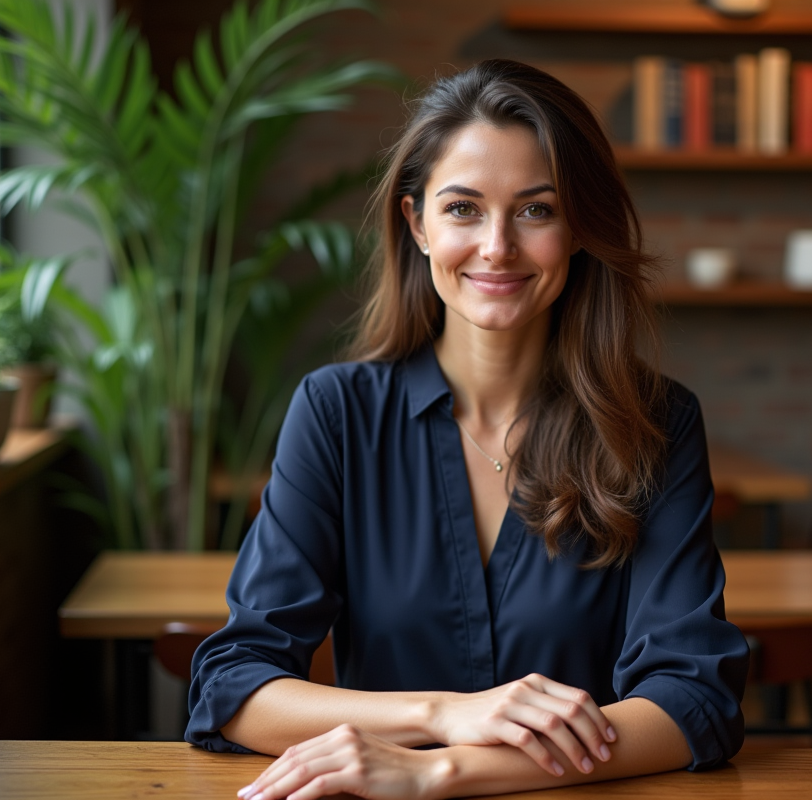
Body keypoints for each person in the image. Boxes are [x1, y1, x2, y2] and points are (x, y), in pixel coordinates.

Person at [187, 59, 749, 800]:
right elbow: (234, 686)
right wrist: (445, 716)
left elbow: (693, 702)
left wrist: (437, 772)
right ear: (416, 223)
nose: (496, 247)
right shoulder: (337, 413)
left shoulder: (658, 423)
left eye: (536, 210)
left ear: (579, 226)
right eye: (463, 209)